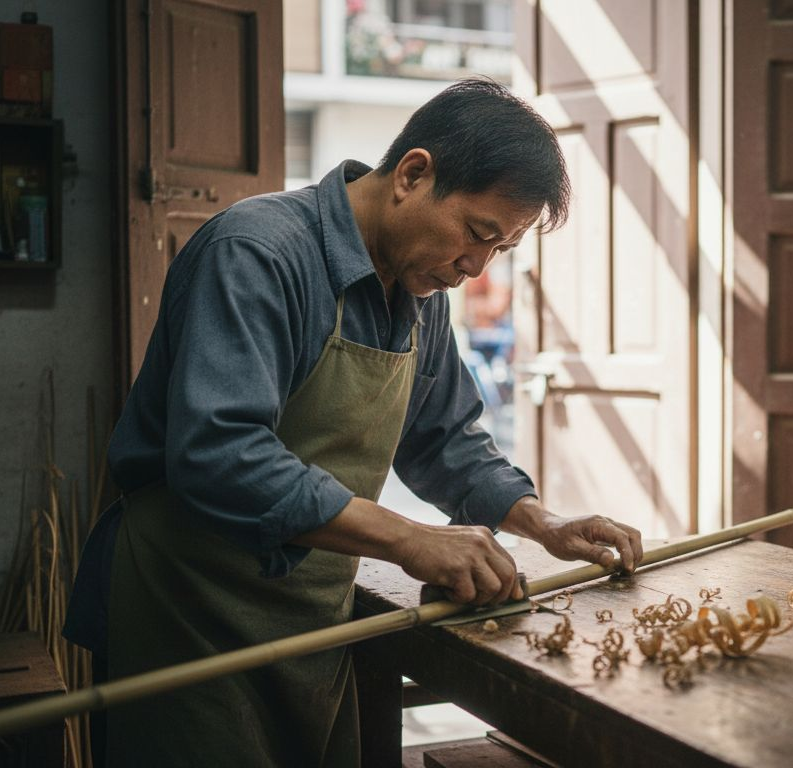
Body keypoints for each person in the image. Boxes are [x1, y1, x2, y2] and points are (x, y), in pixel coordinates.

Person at [64, 79, 643, 766]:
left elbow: (445, 439)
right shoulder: (259, 254)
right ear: (413, 174)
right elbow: (220, 454)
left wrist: (541, 524)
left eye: (500, 250)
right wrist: (405, 537)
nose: (475, 268)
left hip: (308, 618)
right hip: (185, 614)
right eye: (478, 234)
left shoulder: (421, 293)